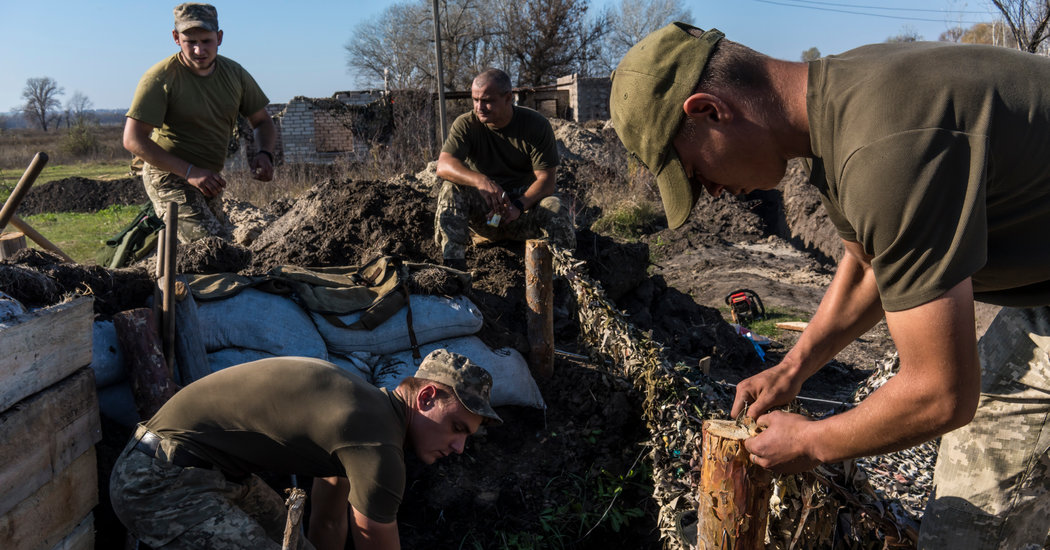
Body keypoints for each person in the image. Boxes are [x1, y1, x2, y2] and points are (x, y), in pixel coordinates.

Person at [610, 22, 1050, 549]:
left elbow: (942, 394)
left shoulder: (884, 150)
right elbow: (871, 266)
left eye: (695, 172)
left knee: (971, 529)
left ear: (708, 110)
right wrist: (793, 369)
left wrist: (814, 441)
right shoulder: (842, 107)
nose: (713, 193)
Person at [110, 350, 503, 550]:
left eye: (466, 436)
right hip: (159, 481)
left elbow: (328, 523)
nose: (458, 446)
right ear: (427, 397)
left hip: (212, 476)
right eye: (456, 428)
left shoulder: (367, 420)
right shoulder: (377, 443)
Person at [123, 2, 277, 243]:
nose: (198, 50)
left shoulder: (235, 74)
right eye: (190, 42)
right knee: (211, 248)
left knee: (224, 245)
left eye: (206, 41)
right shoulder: (160, 77)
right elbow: (133, 139)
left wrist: (265, 153)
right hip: (168, 176)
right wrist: (189, 171)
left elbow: (262, 122)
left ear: (219, 37)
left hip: (209, 179)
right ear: (176, 38)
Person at [434, 68, 576, 271]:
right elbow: (444, 165)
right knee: (450, 189)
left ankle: (564, 276)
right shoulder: (466, 124)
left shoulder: (536, 125)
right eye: (475, 100)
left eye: (487, 101)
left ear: (508, 98)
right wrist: (480, 181)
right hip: (486, 214)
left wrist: (519, 205)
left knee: (554, 206)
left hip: (524, 212)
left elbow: (546, 180)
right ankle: (454, 269)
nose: (479, 107)